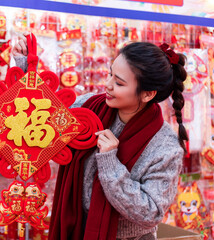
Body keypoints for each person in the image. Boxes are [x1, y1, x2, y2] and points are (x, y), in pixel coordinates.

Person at [13, 33, 187, 240]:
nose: (108, 85)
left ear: (148, 94)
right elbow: (40, 117)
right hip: (78, 228)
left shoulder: (165, 146)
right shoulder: (89, 108)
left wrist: (110, 162)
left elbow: (150, 213)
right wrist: (24, 69)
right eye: (110, 74)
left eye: (119, 83)